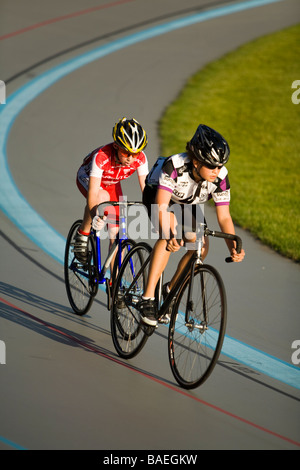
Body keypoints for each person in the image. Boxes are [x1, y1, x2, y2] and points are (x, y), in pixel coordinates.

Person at [139, 124, 245, 326]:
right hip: (159, 196)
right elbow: (161, 206)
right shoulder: (175, 165)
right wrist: (170, 234)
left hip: (188, 203)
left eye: (220, 166)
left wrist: (233, 247)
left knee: (201, 246)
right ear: (195, 162)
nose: (217, 171)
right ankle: (148, 297)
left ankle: (170, 289)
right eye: (211, 166)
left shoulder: (220, 177)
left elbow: (224, 217)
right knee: (169, 233)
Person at [74, 117, 149, 264]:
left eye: (135, 153)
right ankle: (83, 234)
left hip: (112, 183)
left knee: (117, 234)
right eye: (126, 153)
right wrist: (96, 216)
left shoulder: (141, 159)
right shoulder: (101, 157)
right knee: (101, 197)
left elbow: (146, 190)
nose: (131, 158)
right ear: (116, 146)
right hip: (89, 178)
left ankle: (113, 281)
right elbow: (93, 194)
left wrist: (155, 211)